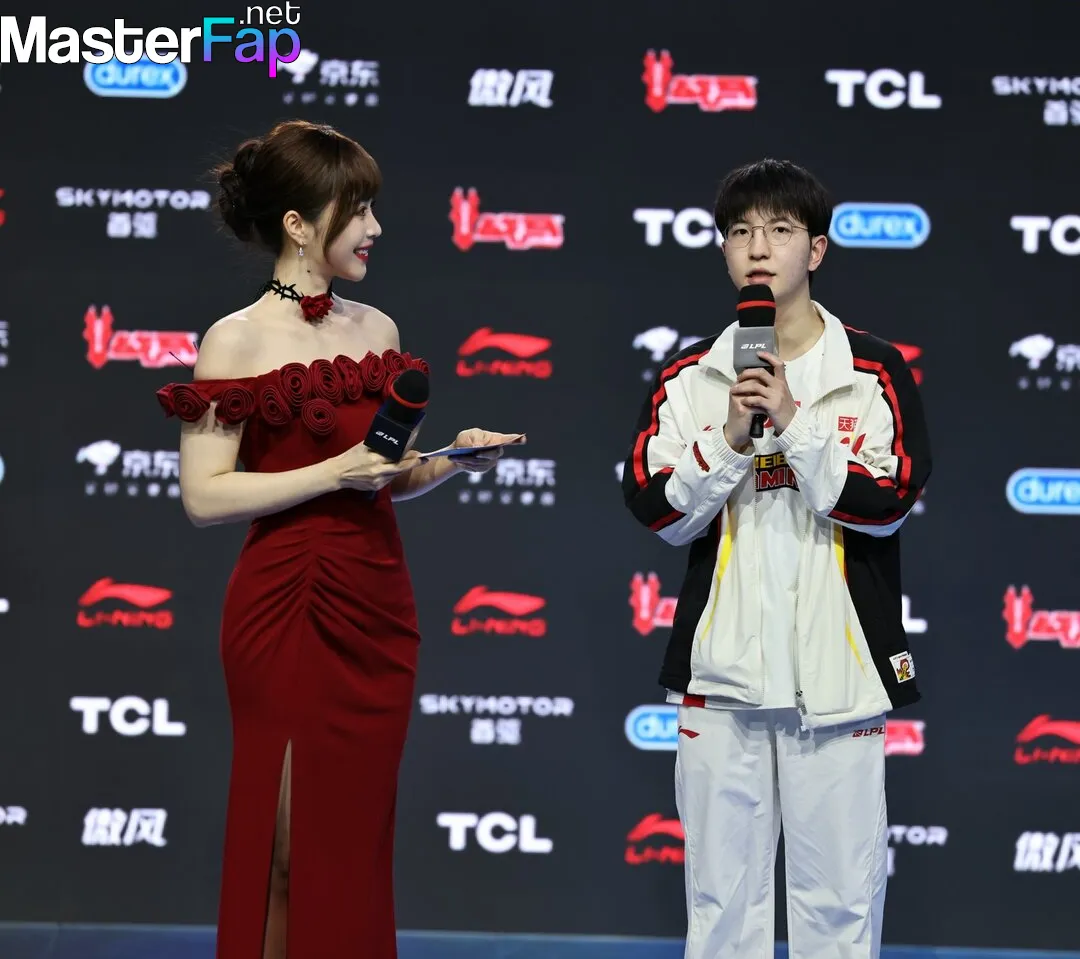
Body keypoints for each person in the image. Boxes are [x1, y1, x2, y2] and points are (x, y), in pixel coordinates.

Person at [155, 119, 523, 959]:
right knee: (284, 850)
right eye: (357, 210)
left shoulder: (378, 331)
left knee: (351, 853)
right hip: (286, 603)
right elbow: (205, 495)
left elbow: (382, 476)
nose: (374, 227)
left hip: (376, 603)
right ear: (297, 223)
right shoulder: (234, 339)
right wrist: (332, 472)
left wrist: (452, 459)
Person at [621, 159, 931, 958]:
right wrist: (729, 437)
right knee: (722, 909)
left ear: (816, 249)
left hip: (840, 685)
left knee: (840, 911)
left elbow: (890, 498)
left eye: (780, 230)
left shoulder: (874, 370)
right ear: (724, 250)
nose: (758, 247)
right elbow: (657, 509)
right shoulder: (690, 376)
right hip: (721, 686)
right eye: (741, 231)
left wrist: (792, 419)